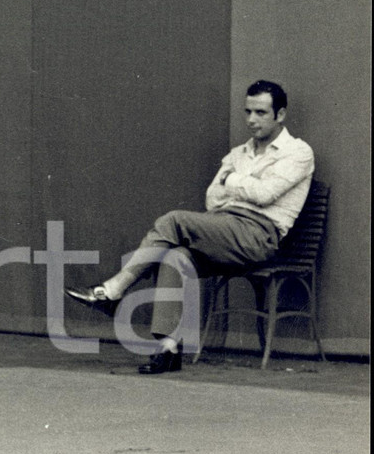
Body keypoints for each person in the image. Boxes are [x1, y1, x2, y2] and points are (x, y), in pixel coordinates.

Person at [65, 80, 314, 374]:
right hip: (221, 227)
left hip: (258, 236)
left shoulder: (297, 152)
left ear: (280, 115)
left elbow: (265, 195)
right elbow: (212, 198)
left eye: (260, 112)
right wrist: (242, 186)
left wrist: (231, 182)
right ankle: (168, 350)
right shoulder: (239, 153)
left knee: (174, 220)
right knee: (176, 257)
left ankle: (113, 290)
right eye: (247, 112)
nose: (251, 120)